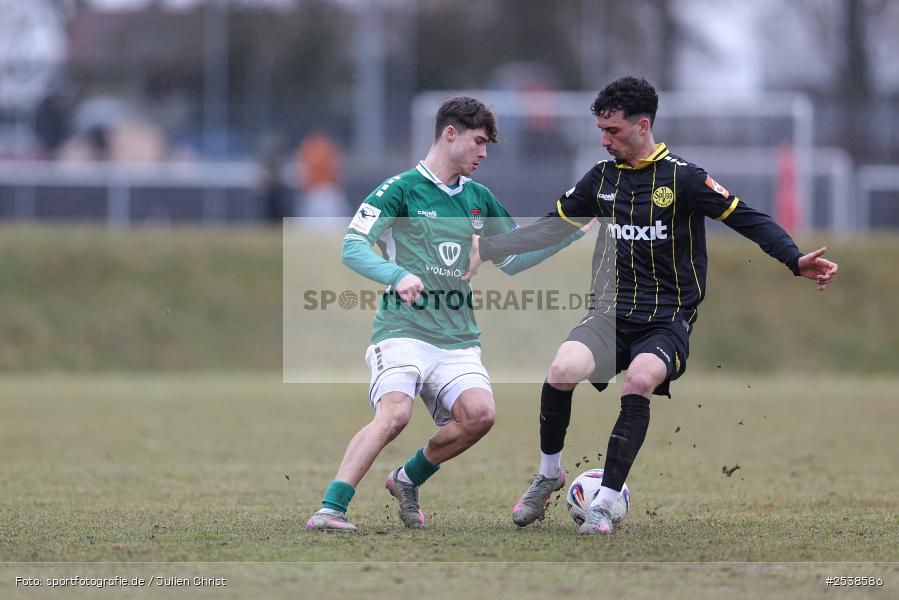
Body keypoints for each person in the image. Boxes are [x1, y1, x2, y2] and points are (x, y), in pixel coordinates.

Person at [464, 77, 838, 535]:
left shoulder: (684, 178)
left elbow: (747, 218)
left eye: (614, 131)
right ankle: (548, 475)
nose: (605, 140)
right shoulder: (600, 179)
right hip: (609, 313)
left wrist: (794, 259)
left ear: (643, 126)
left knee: (639, 379)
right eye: (601, 130)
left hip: (666, 319)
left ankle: (604, 503)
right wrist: (494, 249)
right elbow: (551, 227)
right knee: (562, 370)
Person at [306, 96, 587, 532]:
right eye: (478, 141)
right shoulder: (400, 190)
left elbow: (513, 259)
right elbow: (352, 245)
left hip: (456, 338)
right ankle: (331, 508)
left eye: (488, 145)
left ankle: (407, 479)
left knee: (480, 416)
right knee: (395, 414)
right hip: (402, 328)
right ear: (449, 134)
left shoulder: (479, 199)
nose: (484, 153)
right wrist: (396, 274)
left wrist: (570, 234)